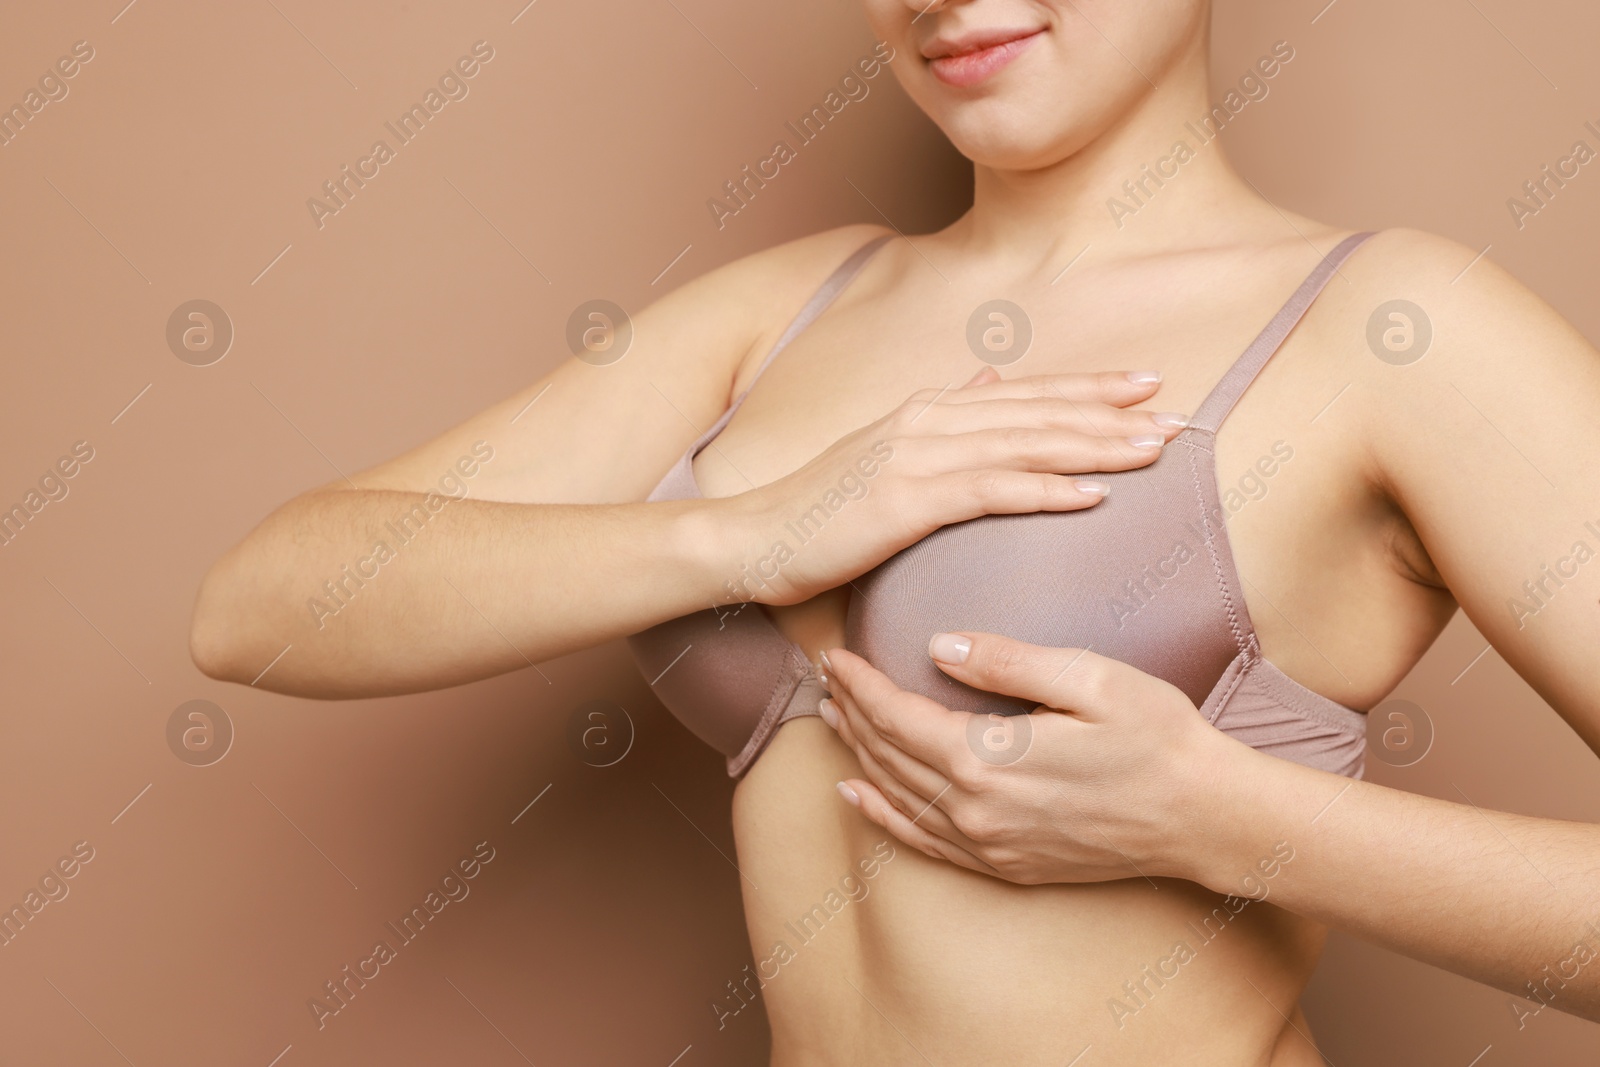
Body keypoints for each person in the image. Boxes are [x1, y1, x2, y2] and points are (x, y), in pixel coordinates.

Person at [190, 0, 1600, 1061]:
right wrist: (745, 537)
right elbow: (261, 607)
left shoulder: (1392, 328)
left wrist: (1227, 822)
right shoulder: (788, 313)